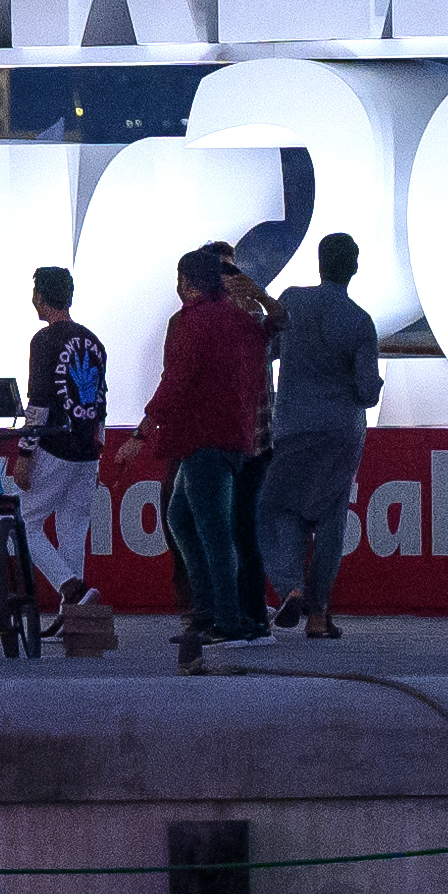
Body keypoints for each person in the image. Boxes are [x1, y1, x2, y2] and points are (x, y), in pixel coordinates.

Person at [142, 243, 270, 669]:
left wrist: (143, 431)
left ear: (186, 282)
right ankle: (213, 610)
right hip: (233, 436)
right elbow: (276, 328)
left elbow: (175, 381)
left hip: (201, 438)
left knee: (212, 531)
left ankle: (224, 617)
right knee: (189, 519)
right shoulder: (239, 319)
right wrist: (260, 297)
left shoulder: (191, 324)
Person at [259, 231, 388, 644]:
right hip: (340, 432)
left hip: (293, 425)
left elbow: (267, 348)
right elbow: (367, 392)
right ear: (353, 268)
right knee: (332, 517)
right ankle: (319, 615)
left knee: (276, 510)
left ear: (318, 263)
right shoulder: (360, 320)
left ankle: (290, 586)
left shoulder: (292, 301)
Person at [18, 263, 115, 657]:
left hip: (54, 444)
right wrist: (100, 446)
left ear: (40, 297)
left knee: (26, 524)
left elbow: (39, 402)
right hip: (87, 447)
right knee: (73, 528)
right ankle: (73, 614)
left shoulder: (43, 341)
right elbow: (101, 400)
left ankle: (71, 589)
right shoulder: (93, 341)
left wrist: (25, 453)